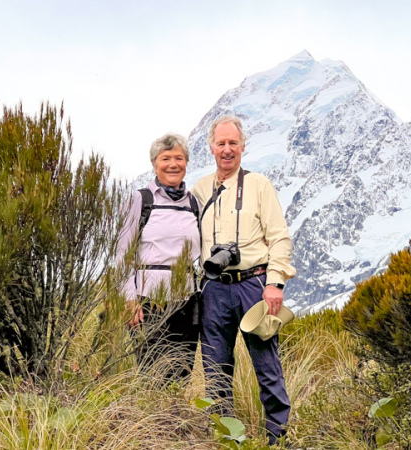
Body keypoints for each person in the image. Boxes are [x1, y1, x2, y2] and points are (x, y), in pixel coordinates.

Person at [192, 115, 296, 445]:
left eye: (233, 143)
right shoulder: (198, 190)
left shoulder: (258, 185)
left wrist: (275, 283)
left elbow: (280, 238)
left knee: (267, 367)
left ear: (243, 147)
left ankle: (277, 439)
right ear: (210, 147)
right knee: (215, 371)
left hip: (255, 285)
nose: (227, 150)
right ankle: (227, 439)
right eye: (221, 143)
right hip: (214, 289)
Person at [115, 133, 202, 381]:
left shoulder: (193, 203)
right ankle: (151, 420)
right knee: (152, 374)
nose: (173, 164)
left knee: (182, 373)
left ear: (186, 163)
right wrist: (130, 301)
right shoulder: (141, 200)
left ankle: (173, 419)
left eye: (179, 158)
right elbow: (122, 254)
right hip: (147, 300)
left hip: (185, 300)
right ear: (155, 163)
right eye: (166, 158)